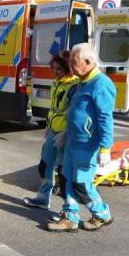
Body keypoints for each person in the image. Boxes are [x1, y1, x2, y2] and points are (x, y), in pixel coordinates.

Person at [48, 43, 115, 232]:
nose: (70, 67)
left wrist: (105, 148)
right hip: (72, 141)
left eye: (73, 63)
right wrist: (66, 132)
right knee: (66, 179)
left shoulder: (101, 84)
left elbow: (105, 118)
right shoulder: (81, 82)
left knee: (81, 183)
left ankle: (102, 214)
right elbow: (76, 111)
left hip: (87, 144)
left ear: (87, 62)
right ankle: (70, 217)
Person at [24, 50, 78, 210]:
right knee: (45, 165)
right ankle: (42, 199)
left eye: (59, 69)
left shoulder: (74, 86)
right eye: (53, 68)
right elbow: (54, 108)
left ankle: (68, 209)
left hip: (65, 134)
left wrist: (66, 132)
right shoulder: (57, 82)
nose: (55, 72)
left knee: (64, 172)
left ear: (68, 68)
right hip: (54, 131)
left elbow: (74, 112)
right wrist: (48, 125)